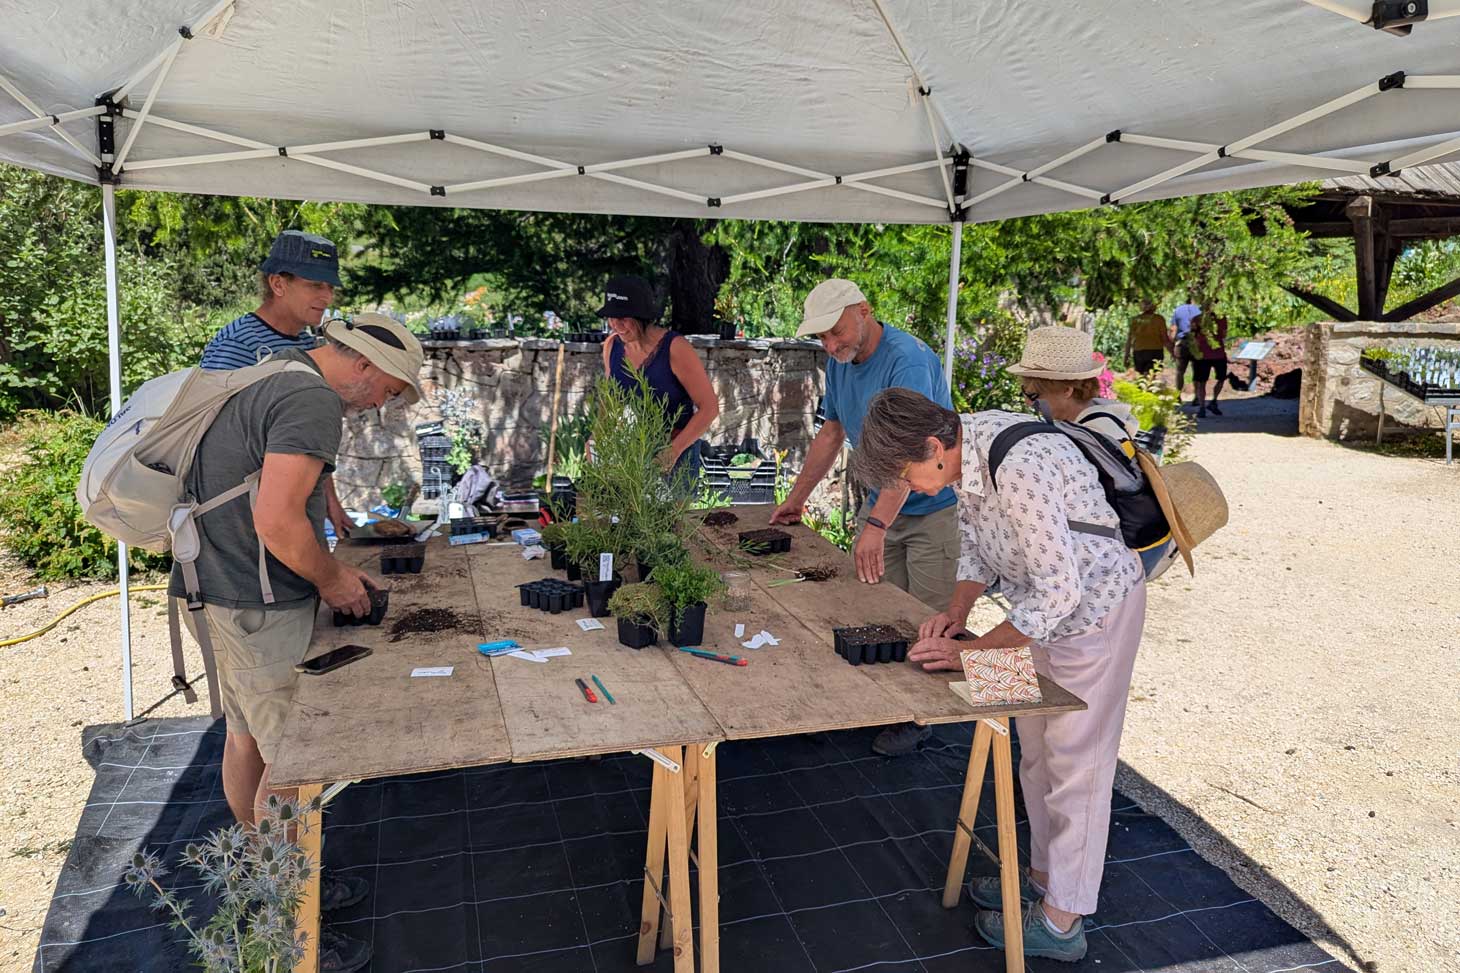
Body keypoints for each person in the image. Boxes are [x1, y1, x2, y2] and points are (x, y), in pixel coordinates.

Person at [852, 387, 1147, 963]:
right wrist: (957, 614)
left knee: (1078, 766)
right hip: (1036, 620)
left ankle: (1063, 921)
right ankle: (1042, 881)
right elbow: (974, 548)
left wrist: (974, 655)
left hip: (1094, 617)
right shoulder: (967, 451)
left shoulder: (1019, 466)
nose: (912, 490)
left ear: (933, 446)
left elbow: (1060, 591)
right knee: (1034, 752)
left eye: (908, 477)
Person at [170, 313, 423, 973]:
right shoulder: (311, 398)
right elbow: (278, 520)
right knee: (292, 764)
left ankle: (274, 878)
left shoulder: (273, 373)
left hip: (214, 587)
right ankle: (293, 928)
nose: (380, 404)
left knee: (247, 738)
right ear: (363, 364)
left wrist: (332, 566)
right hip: (256, 605)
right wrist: (334, 580)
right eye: (388, 389)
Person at [769, 278, 958, 756]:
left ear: (864, 311)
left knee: (930, 622)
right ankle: (881, 705)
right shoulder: (840, 362)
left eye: (836, 332)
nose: (831, 346)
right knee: (877, 612)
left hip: (932, 512)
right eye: (822, 338)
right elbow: (831, 432)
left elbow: (909, 455)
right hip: (883, 505)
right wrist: (797, 498)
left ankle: (920, 719)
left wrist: (876, 526)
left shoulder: (907, 361)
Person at [200, 230, 355, 537]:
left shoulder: (308, 344)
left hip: (291, 520)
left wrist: (331, 502)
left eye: (330, 287)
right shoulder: (237, 344)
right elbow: (207, 437)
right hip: (240, 525)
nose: (326, 297)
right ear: (278, 284)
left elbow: (306, 439)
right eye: (315, 285)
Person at [1010, 326, 1176, 578]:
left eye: (1032, 394)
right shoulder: (1103, 416)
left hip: (1113, 562)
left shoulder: (1089, 436)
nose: (1027, 402)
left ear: (1067, 390)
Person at [597, 274, 719, 476]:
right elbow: (610, 401)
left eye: (623, 318)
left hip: (676, 462)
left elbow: (709, 408)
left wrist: (673, 451)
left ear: (641, 317)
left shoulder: (675, 348)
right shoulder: (611, 346)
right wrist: (596, 438)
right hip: (630, 460)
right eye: (611, 317)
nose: (616, 325)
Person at [1188, 309, 1229, 418]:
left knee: (1203, 381)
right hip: (1213, 354)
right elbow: (1224, 335)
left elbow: (1192, 335)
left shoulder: (1197, 319)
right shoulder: (1220, 319)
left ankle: (1206, 405)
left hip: (1207, 354)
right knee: (1217, 379)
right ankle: (1209, 403)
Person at [1123, 299, 1170, 376]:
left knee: (1141, 377)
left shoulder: (1136, 320)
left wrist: (1126, 356)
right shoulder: (1159, 319)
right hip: (1155, 352)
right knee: (1151, 377)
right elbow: (1165, 338)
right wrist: (1172, 352)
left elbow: (1129, 339)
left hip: (1139, 352)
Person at [1169, 299, 1202, 396]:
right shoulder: (1200, 310)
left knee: (1180, 371)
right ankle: (1197, 395)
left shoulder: (1178, 310)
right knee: (1197, 371)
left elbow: (1173, 330)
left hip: (1182, 344)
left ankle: (1178, 395)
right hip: (1197, 343)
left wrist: (1172, 346)